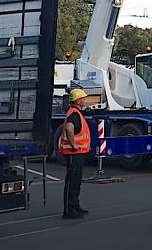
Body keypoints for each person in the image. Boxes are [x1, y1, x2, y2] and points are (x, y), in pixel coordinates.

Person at [58, 89, 91, 219]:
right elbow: (69, 128)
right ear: (78, 101)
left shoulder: (75, 113)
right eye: (83, 98)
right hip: (73, 153)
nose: (85, 100)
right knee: (72, 181)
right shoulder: (74, 114)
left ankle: (75, 206)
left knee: (76, 181)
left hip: (77, 153)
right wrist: (73, 144)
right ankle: (69, 210)